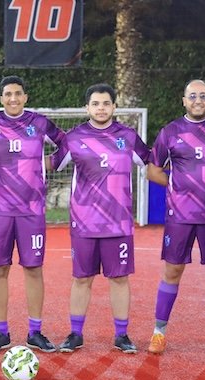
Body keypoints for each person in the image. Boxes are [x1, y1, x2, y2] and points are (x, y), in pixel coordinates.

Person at [145, 80, 205, 356]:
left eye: (202, 96)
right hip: (180, 215)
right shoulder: (170, 131)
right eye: (192, 96)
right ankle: (159, 333)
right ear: (184, 100)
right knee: (172, 270)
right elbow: (152, 171)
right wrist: (177, 185)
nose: (197, 100)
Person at [50, 83, 150, 354]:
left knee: (119, 279)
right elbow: (52, 164)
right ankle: (75, 334)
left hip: (118, 223)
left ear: (114, 106)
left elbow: (152, 162)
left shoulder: (128, 137)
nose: (101, 108)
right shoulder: (74, 137)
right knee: (82, 278)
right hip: (84, 223)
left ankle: (122, 335)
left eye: (106, 103)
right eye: (95, 104)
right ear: (87, 108)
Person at [0, 76, 65, 354]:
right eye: (8, 94)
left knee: (33, 268)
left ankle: (35, 331)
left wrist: (48, 163)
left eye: (18, 94)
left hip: (31, 209)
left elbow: (67, 144)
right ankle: (1, 332)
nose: (13, 98)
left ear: (25, 97)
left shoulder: (39, 123)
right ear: (1, 99)